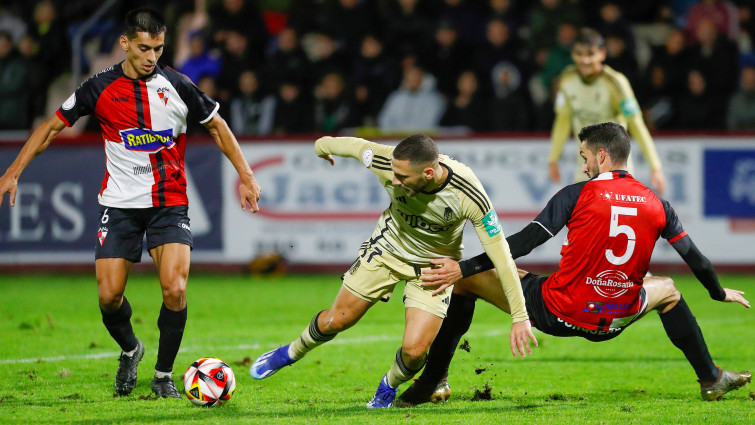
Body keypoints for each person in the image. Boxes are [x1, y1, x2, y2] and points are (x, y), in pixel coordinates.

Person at [0, 8, 262, 399]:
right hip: (119, 205)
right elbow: (53, 126)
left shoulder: (177, 85)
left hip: (168, 203)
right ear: (125, 44)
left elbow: (217, 126)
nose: (151, 57)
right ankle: (130, 349)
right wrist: (14, 171)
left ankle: (162, 376)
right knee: (109, 297)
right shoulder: (99, 87)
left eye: (158, 48)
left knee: (174, 289)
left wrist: (246, 175)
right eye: (143, 48)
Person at [397, 122, 751, 406]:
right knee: (669, 290)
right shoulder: (658, 203)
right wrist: (717, 292)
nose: (583, 166)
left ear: (601, 155)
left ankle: (432, 381)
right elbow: (697, 259)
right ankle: (710, 378)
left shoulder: (577, 193)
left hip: (559, 311)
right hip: (617, 318)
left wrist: (463, 267)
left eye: (584, 157)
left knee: (467, 281)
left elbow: (523, 243)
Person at [249, 134, 537, 408]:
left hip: (433, 267)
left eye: (402, 178)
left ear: (427, 174)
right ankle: (290, 353)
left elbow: (502, 257)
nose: (394, 180)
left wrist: (520, 316)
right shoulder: (388, 162)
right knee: (335, 321)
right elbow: (352, 145)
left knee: (414, 352)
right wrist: (320, 148)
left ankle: (388, 385)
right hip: (386, 251)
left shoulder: (468, 194)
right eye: (394, 175)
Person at [548, 28, 666, 196]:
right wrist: (553, 159)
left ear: (602, 54)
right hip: (584, 170)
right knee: (581, 221)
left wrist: (655, 166)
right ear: (573, 55)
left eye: (590, 54)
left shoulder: (616, 83)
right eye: (579, 54)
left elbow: (637, 125)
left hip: (616, 170)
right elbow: (562, 121)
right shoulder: (567, 81)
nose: (585, 60)